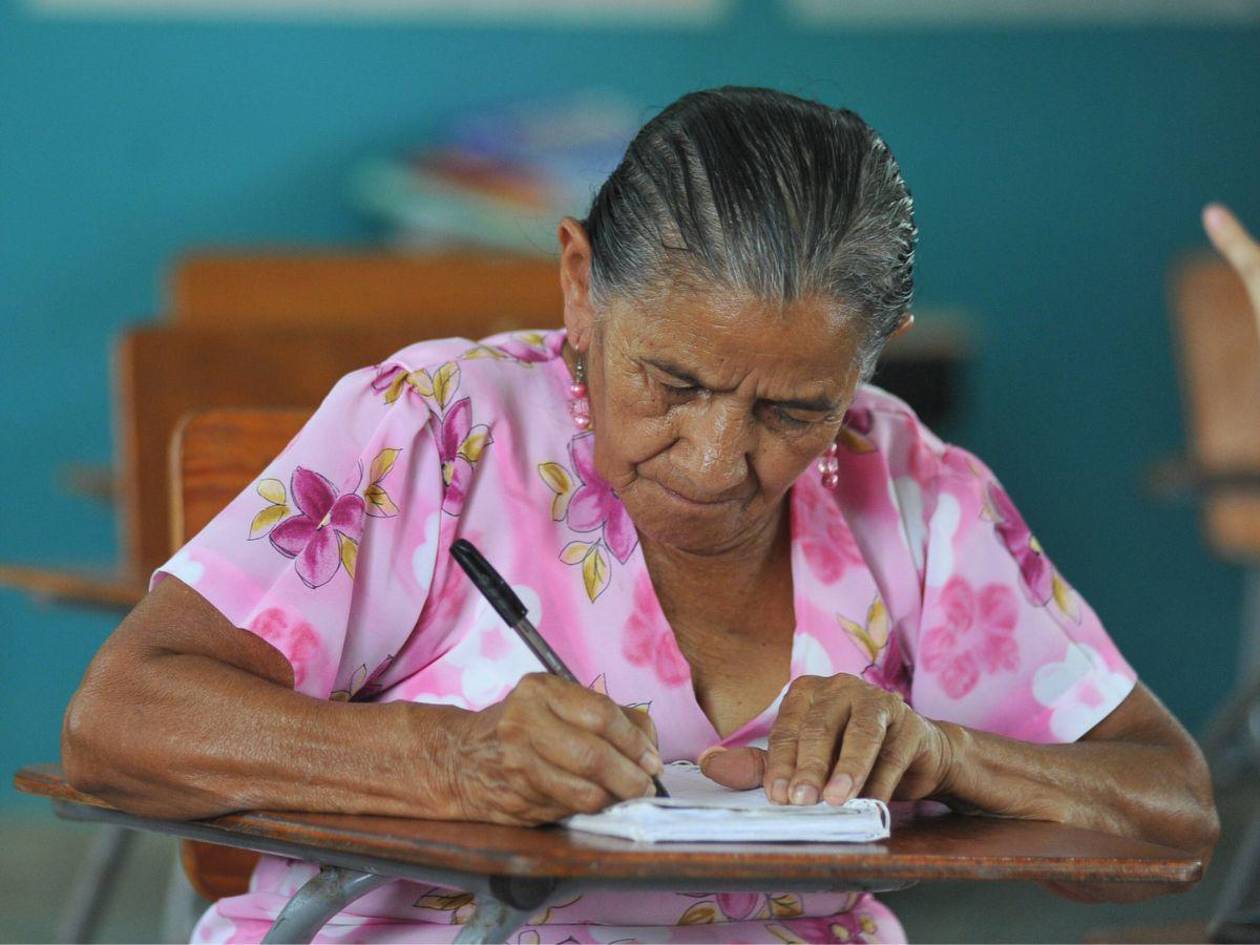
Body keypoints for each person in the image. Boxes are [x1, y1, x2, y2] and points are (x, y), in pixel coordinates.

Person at [61, 87, 1219, 945]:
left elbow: (1171, 814)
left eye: (795, 408)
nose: (718, 462)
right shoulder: (439, 428)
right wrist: (452, 762)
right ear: (578, 283)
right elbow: (122, 717)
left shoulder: (913, 489)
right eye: (671, 384)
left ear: (873, 364)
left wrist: (951, 754)